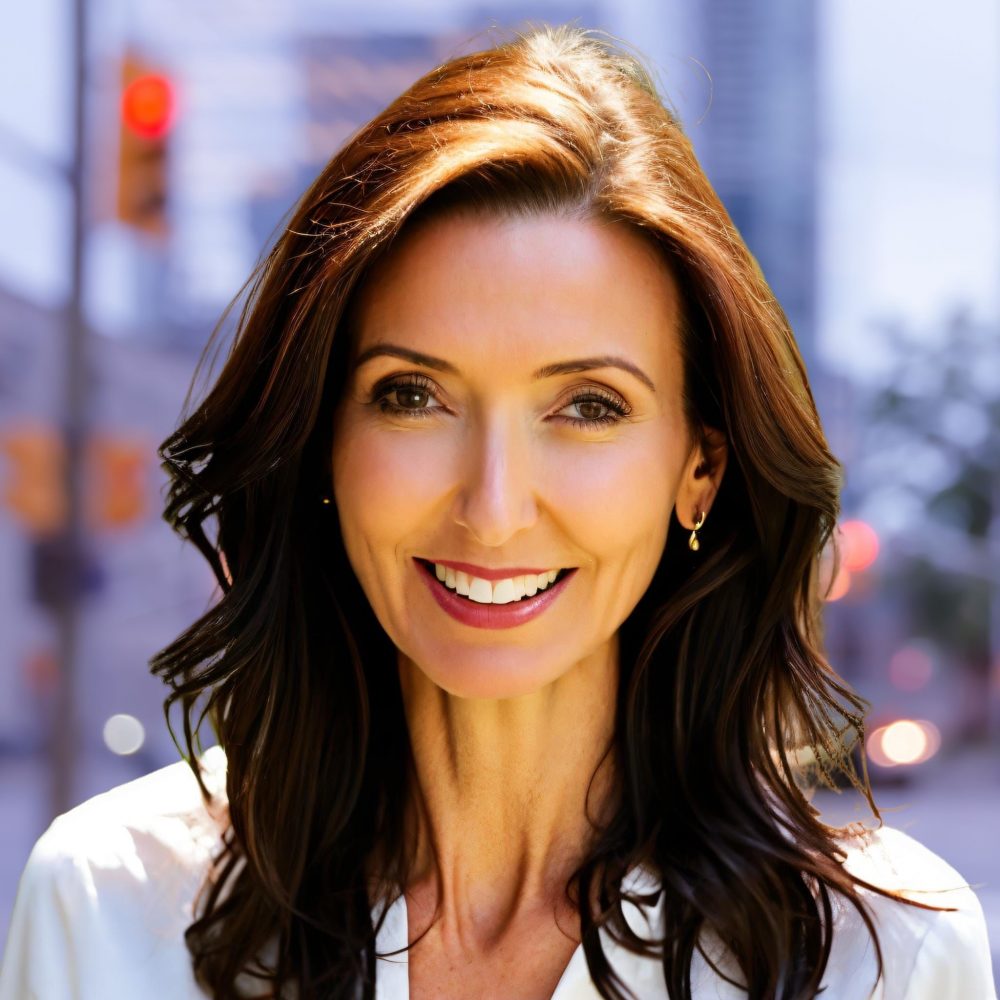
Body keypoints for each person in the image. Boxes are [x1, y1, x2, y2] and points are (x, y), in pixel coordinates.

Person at [0, 24, 995, 1000]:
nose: (493, 507)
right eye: (412, 396)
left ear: (699, 470)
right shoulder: (109, 903)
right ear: (324, 443)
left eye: (588, 407)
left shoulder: (882, 960)